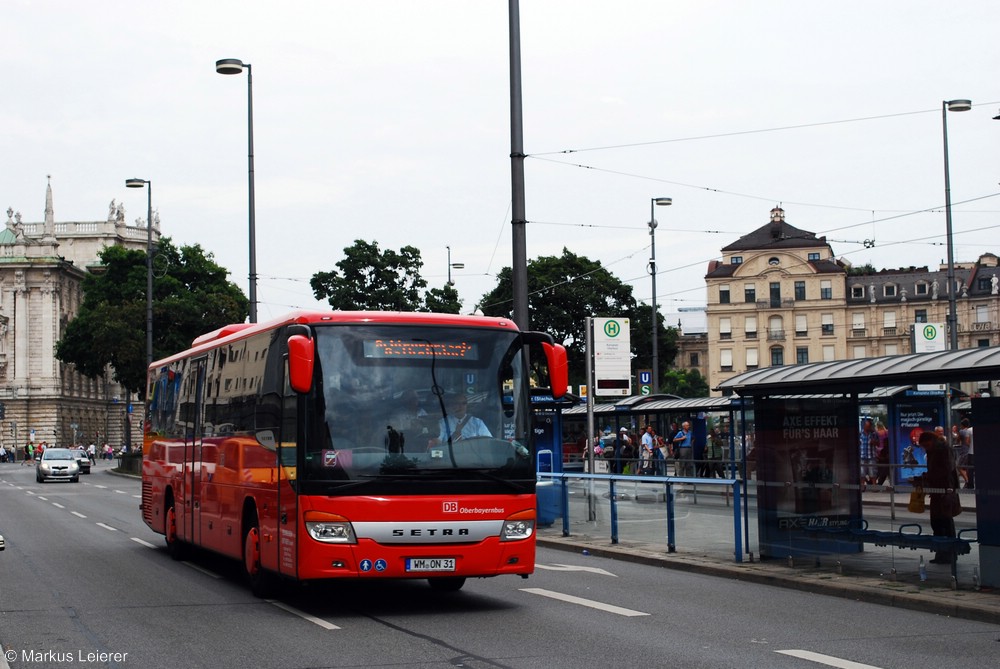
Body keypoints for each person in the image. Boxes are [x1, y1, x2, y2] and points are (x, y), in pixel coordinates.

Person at [921, 431, 959, 564]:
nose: (925, 448)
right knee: (936, 522)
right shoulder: (933, 450)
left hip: (945, 490)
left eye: (926, 445)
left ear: (932, 441)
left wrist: (930, 476)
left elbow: (947, 469)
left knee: (945, 521)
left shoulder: (944, 449)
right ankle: (941, 552)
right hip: (937, 490)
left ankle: (949, 553)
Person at [859, 418, 878, 485]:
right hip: (862, 455)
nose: (869, 428)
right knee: (862, 472)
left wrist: (874, 441)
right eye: (867, 426)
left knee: (873, 472)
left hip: (871, 455)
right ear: (864, 426)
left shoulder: (874, 434)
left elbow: (878, 444)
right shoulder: (860, 434)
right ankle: (862, 486)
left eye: (869, 426)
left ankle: (874, 486)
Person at [958, 418, 974, 489]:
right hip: (970, 452)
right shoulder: (970, 430)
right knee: (968, 468)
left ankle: (967, 481)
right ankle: (968, 482)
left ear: (962, 425)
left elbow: (959, 440)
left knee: (959, 466)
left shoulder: (962, 431)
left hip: (965, 451)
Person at [874, 421, 891, 486]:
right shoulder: (887, 432)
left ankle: (875, 482)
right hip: (885, 450)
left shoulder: (877, 433)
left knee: (880, 469)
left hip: (879, 450)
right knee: (884, 469)